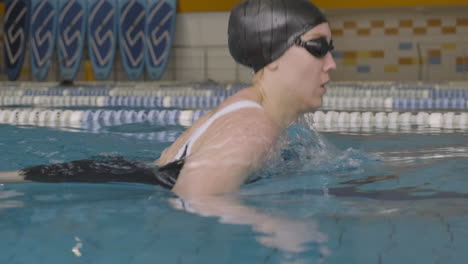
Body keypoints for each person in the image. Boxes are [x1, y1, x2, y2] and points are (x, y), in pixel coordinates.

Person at [1, 0, 336, 200]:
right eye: (317, 47)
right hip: (121, 191)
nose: (331, 63)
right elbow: (195, 205)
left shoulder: (251, 110)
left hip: (124, 174)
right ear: (272, 53)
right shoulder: (251, 130)